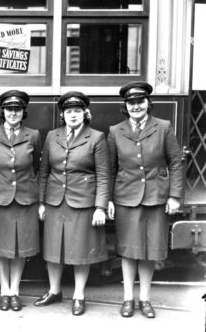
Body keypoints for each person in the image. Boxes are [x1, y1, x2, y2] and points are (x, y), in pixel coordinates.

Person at [107, 81, 183, 318]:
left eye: (140, 102)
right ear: (125, 106)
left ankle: (145, 299)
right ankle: (128, 298)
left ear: (149, 104)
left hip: (155, 197)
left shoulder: (163, 127)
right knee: (129, 251)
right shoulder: (115, 131)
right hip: (125, 197)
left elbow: (176, 163)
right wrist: (108, 199)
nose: (136, 106)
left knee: (150, 250)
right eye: (131, 103)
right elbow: (109, 168)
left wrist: (174, 195)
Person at [36, 91, 109, 316]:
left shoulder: (96, 137)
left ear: (85, 113)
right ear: (63, 115)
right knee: (53, 249)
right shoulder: (52, 136)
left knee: (80, 250)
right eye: (69, 111)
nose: (73, 115)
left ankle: (78, 295)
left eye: (77, 111)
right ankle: (54, 291)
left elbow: (104, 174)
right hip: (55, 200)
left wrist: (100, 207)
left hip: (83, 202)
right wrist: (41, 202)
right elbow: (44, 172)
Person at [0, 90, 41, 312]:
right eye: (9, 109)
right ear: (2, 111)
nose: (13, 113)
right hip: (0, 199)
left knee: (20, 249)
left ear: (23, 112)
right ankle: (3, 291)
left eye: (17, 109)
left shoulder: (33, 135)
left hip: (25, 199)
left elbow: (36, 166)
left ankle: (15, 291)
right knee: (1, 248)